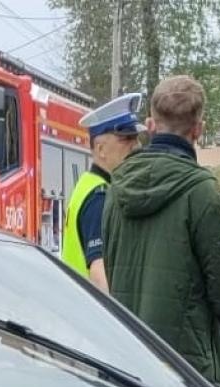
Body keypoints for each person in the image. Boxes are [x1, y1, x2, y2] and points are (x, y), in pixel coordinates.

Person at [102, 75, 220, 385]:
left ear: (150, 126)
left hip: (129, 363)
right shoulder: (203, 193)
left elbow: (112, 270)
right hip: (187, 368)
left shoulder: (116, 188)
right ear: (198, 131)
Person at [62, 92, 143, 291]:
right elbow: (100, 276)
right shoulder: (100, 197)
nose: (137, 146)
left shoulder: (92, 186)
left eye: (136, 138)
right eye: (126, 139)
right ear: (101, 149)